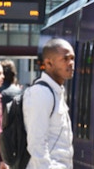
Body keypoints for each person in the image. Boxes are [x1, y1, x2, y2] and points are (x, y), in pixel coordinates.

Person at [23, 38, 75, 168]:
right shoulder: (41, 93)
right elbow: (36, 142)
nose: (71, 63)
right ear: (48, 63)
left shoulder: (56, 92)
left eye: (72, 58)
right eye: (65, 59)